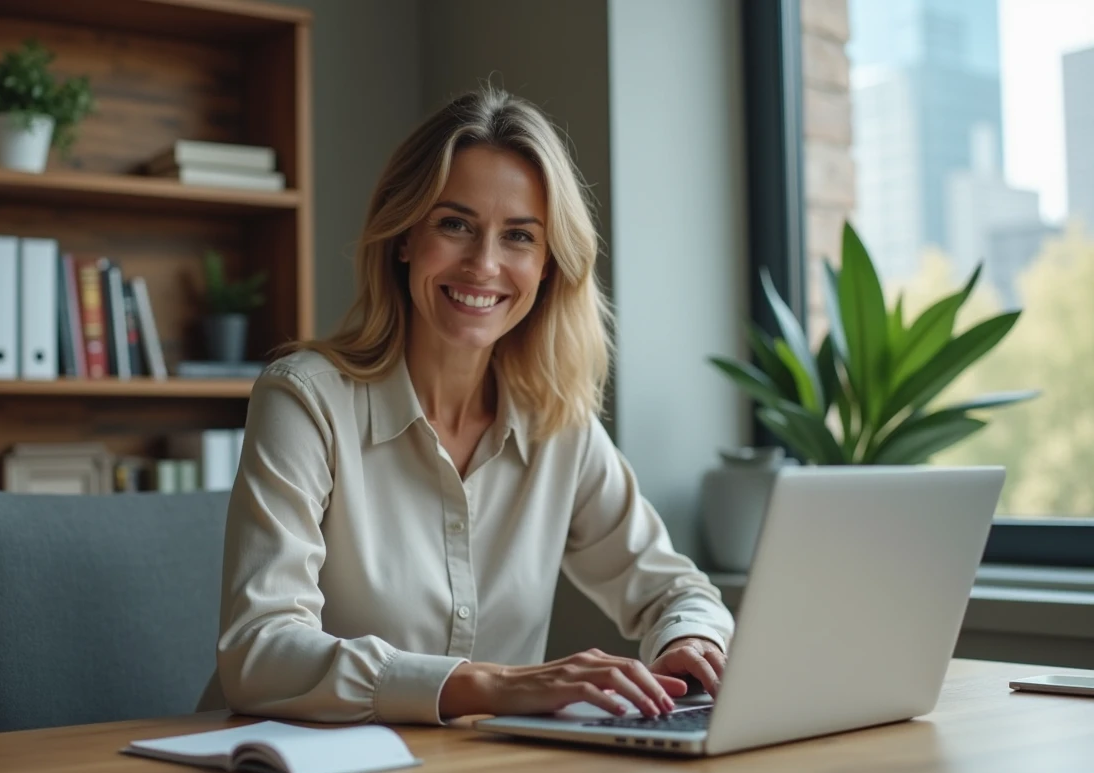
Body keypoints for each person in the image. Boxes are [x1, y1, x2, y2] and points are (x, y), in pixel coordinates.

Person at [203, 87, 734, 725]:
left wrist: (690, 642)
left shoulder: (556, 424)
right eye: (454, 224)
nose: (484, 264)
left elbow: (674, 588)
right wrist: (494, 684)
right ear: (403, 237)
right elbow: (259, 652)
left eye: (519, 237)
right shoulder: (306, 400)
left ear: (547, 267)